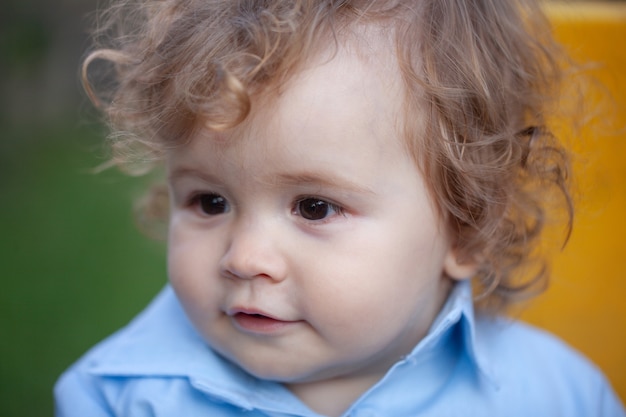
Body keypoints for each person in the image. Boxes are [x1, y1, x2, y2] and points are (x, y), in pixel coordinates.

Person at [55, 0, 625, 416]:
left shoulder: (556, 397)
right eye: (211, 201)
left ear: (466, 227)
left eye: (315, 207)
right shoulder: (117, 397)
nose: (245, 257)